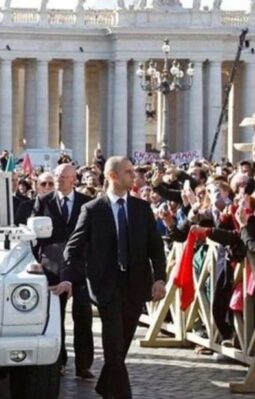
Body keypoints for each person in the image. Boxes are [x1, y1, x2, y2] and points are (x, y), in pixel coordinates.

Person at [52, 156, 167, 399]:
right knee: (113, 343)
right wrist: (78, 278)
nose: (133, 175)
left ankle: (105, 385)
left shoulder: (142, 208)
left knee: (122, 344)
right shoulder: (93, 209)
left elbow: (155, 247)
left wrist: (159, 278)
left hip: (135, 285)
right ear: (113, 176)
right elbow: (71, 250)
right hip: (106, 287)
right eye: (128, 172)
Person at [18, 164, 94, 378]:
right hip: (51, 266)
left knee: (83, 317)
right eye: (57, 177)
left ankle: (84, 364)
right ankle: (58, 360)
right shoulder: (43, 201)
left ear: (74, 180)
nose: (59, 181)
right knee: (54, 317)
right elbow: (32, 235)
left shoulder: (86, 203)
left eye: (64, 177)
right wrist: (36, 261)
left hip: (79, 267)